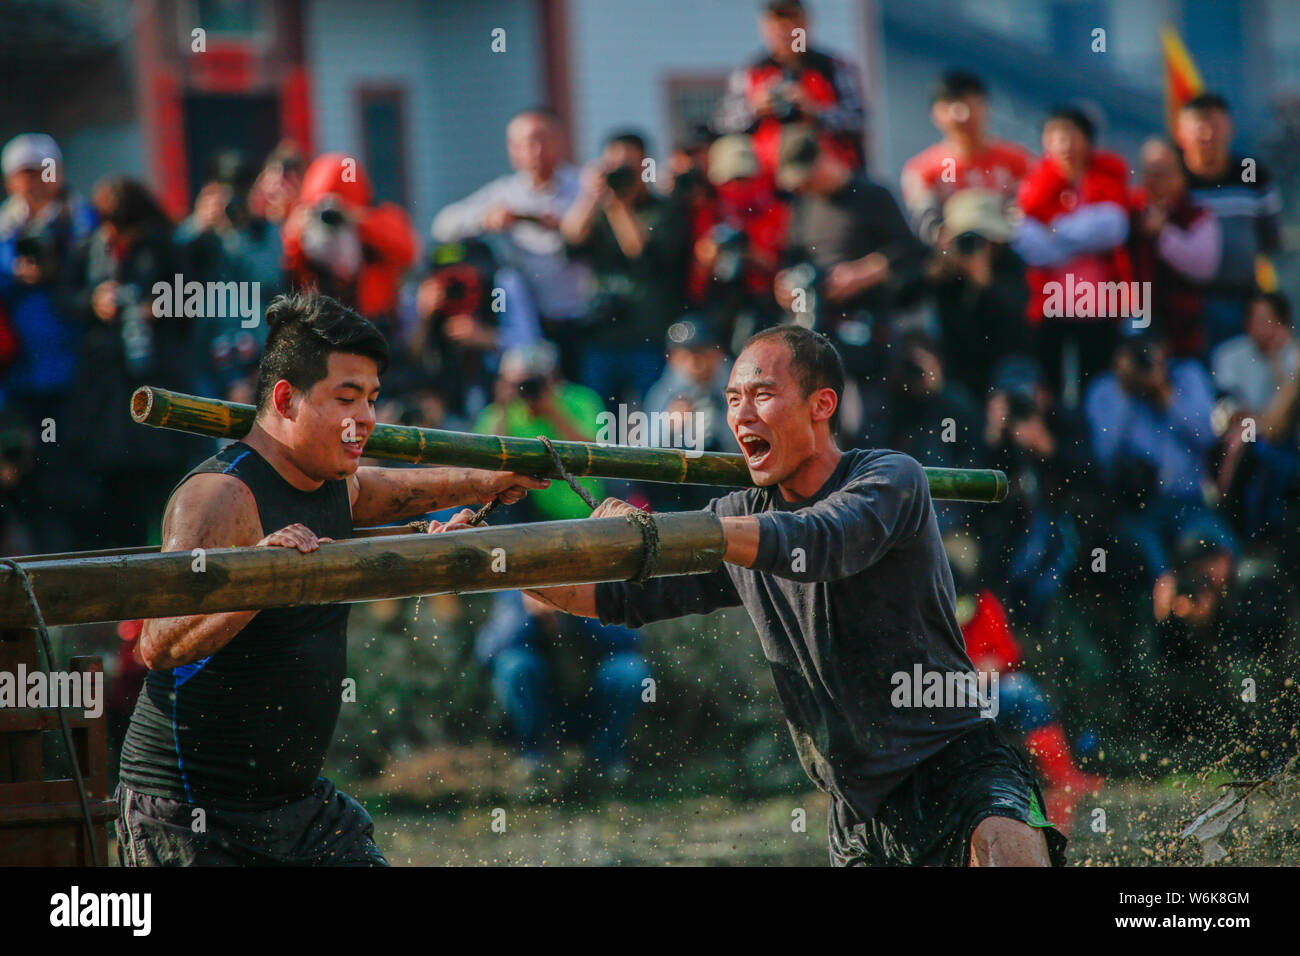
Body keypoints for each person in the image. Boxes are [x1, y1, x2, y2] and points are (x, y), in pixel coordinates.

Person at [454, 325, 1067, 866]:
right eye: (732, 400)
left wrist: (673, 533)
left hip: (957, 764)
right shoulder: (738, 518)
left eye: (763, 395)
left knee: (1003, 844)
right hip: (856, 805)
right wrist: (484, 558)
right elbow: (616, 599)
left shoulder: (890, 479)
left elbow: (821, 539)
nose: (741, 416)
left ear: (822, 404)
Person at [116, 290, 548, 866]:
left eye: (372, 398)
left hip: (296, 804)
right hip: (190, 809)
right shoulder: (220, 496)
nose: (366, 418)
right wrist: (260, 577)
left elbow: (388, 493)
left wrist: (488, 481)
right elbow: (158, 643)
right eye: (347, 398)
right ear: (286, 400)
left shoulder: (334, 481)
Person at [432, 108, 590, 379]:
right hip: (530, 325)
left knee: (587, 406)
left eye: (541, 140)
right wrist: (486, 218)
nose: (534, 150)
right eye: (524, 143)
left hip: (585, 322)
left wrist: (558, 223)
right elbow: (442, 226)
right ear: (512, 149)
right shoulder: (506, 193)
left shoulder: (583, 187)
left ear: (560, 141)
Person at [1014, 106, 1131, 407]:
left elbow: (1113, 227)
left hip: (1100, 306)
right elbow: (1030, 246)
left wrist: (1056, 231)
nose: (1064, 145)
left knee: (1098, 386)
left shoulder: (1108, 180)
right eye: (1055, 136)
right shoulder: (1036, 185)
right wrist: (1080, 237)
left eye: (1072, 136)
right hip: (1050, 306)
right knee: (1048, 385)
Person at [475, 589, 650, 789]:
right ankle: (536, 762)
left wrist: (579, 608)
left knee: (631, 670)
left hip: (593, 703)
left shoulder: (599, 585)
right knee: (514, 665)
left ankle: (604, 762)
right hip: (543, 708)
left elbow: (632, 640)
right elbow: (487, 652)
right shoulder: (515, 592)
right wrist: (528, 613)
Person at [561, 130, 688, 407]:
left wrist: (619, 205)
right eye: (614, 165)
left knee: (653, 418)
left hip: (648, 337)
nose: (621, 172)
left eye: (629, 165)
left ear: (646, 166)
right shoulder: (598, 209)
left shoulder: (665, 210)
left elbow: (639, 251)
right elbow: (571, 238)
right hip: (602, 336)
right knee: (600, 422)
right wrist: (589, 195)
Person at [1175, 93, 1284, 349]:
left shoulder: (1251, 172)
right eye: (1199, 126)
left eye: (1215, 124)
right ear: (1181, 133)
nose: (1208, 134)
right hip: (1187, 304)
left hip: (1243, 300)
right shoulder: (1174, 179)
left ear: (1230, 128)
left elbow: (1270, 238)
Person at [714, 0, 867, 179]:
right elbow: (722, 123)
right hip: (769, 180)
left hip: (825, 176)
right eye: (778, 25)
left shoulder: (833, 67)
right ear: (765, 29)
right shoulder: (750, 72)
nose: (787, 32)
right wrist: (755, 107)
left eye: (794, 24)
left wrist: (815, 113)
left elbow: (858, 119)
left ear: (806, 24)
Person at [474, 340, 605, 522]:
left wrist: (552, 411)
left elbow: (593, 452)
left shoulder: (580, 400)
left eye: (534, 381)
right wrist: (503, 408)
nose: (528, 390)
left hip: (578, 511)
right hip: (520, 514)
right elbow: (484, 465)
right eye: (520, 383)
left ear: (553, 376)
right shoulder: (499, 412)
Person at [901, 70, 1031, 245]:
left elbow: (1028, 212)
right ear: (935, 114)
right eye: (952, 107)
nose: (963, 115)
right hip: (952, 257)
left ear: (986, 107)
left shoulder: (1018, 161)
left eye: (971, 104)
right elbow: (926, 221)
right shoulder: (921, 170)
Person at [1127, 138, 1221, 361]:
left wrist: (1164, 235)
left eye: (1163, 173)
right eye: (1150, 172)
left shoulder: (1197, 215)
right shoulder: (1130, 211)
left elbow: (1204, 267)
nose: (1154, 181)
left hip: (1183, 330)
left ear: (1181, 175)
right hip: (1134, 321)